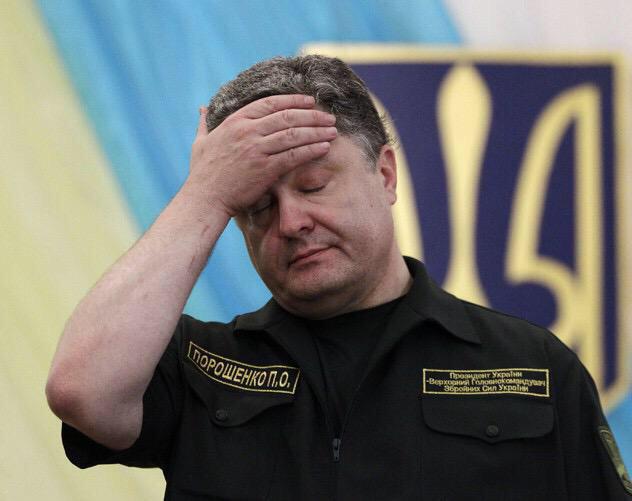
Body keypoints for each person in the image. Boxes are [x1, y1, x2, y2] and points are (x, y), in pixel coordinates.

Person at [46, 55, 631, 500]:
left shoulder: (533, 367)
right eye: (257, 204)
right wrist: (207, 192)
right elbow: (81, 392)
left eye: (314, 185)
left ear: (385, 174)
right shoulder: (202, 366)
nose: (292, 222)